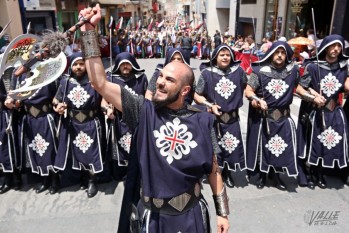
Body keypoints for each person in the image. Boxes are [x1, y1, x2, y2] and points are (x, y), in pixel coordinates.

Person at [78, 4, 229, 233]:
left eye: (169, 80)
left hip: (193, 215)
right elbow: (99, 82)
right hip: (154, 219)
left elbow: (214, 170)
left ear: (185, 91)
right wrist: (89, 31)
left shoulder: (203, 121)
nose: (159, 81)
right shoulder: (143, 112)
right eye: (160, 76)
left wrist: (222, 213)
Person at [245, 41, 299, 191]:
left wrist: (312, 96)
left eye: (283, 52)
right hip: (265, 118)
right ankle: (262, 175)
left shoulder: (292, 71)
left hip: (283, 118)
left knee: (279, 149)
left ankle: (276, 175)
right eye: (277, 52)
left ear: (287, 54)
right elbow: (248, 92)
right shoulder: (260, 71)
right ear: (272, 53)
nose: (280, 55)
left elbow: (299, 87)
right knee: (264, 148)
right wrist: (257, 100)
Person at [296, 34, 349, 188]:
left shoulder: (343, 66)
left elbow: (346, 86)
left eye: (339, 46)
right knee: (314, 142)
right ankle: (309, 171)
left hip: (333, 111)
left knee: (327, 143)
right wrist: (313, 96)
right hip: (315, 110)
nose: (336, 49)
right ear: (326, 47)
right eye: (333, 46)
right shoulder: (313, 66)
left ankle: (320, 173)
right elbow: (300, 88)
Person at [194, 44, 247, 188]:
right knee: (216, 149)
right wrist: (210, 105)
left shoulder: (239, 71)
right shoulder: (207, 73)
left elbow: (244, 87)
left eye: (228, 55)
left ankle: (228, 173)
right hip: (215, 120)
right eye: (222, 55)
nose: (225, 57)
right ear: (215, 57)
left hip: (232, 119)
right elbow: (197, 95)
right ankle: (216, 173)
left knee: (231, 147)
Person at [53, 52, 105, 198]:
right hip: (73, 124)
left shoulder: (94, 81)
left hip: (90, 123)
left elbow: (104, 98)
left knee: (91, 153)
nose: (78, 67)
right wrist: (58, 107)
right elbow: (56, 99)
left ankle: (92, 180)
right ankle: (83, 177)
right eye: (75, 64)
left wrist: (106, 108)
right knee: (78, 153)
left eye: (81, 64)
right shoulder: (66, 82)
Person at [5, 64, 60, 195]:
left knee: (50, 149)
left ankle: (55, 179)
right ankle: (44, 179)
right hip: (29, 119)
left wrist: (57, 101)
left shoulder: (47, 72)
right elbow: (13, 94)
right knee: (36, 150)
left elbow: (58, 91)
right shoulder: (17, 75)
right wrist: (13, 101)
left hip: (45, 116)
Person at [101, 52, 148, 180]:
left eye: (128, 63)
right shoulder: (111, 79)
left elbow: (148, 98)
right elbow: (104, 100)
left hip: (138, 120)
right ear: (118, 66)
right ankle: (121, 173)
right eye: (122, 64)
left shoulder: (141, 78)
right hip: (118, 120)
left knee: (137, 148)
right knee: (120, 148)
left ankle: (138, 173)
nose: (126, 66)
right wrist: (107, 109)